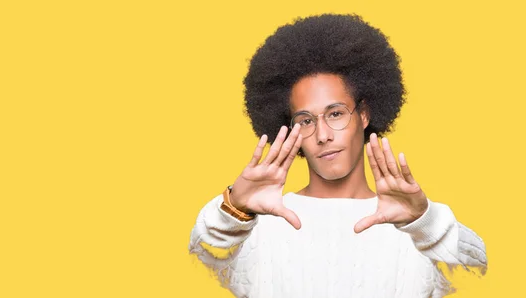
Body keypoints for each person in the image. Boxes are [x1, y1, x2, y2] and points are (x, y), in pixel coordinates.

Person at [188, 13, 487, 298]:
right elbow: (200, 263)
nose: (322, 135)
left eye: (335, 113)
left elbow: (477, 276)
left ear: (364, 114)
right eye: (305, 120)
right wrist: (234, 210)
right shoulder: (256, 223)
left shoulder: (414, 223)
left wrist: (425, 223)